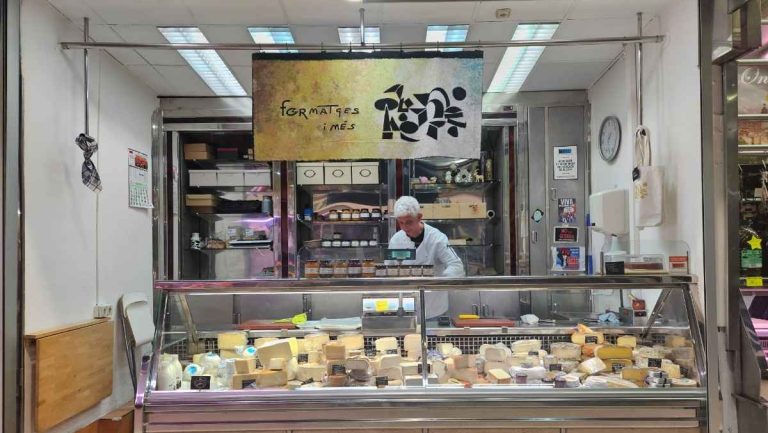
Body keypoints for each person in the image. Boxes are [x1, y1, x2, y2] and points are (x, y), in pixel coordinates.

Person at [389, 196, 465, 318]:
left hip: (434, 308)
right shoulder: (396, 240)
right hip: (406, 308)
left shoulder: (437, 238)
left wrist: (439, 283)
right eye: (401, 223)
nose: (404, 227)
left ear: (419, 217)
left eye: (409, 222)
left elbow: (456, 265)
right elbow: (389, 269)